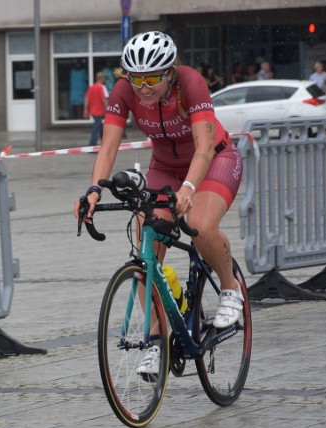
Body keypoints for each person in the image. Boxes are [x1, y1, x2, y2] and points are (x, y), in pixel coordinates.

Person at [73, 31, 244, 375]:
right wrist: (94, 190)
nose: (144, 87)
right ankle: (156, 340)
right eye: (136, 78)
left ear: (169, 72)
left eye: (152, 78)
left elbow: (205, 146)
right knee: (145, 251)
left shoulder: (191, 84)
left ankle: (230, 287)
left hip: (214, 160)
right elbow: (107, 148)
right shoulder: (125, 90)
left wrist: (190, 187)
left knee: (200, 225)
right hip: (164, 166)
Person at [83, 71, 109, 146]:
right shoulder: (100, 88)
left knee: (101, 128)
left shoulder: (91, 87)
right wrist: (108, 108)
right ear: (102, 79)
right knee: (96, 128)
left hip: (93, 112)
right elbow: (104, 99)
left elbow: (87, 99)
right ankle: (92, 145)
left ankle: (105, 143)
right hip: (99, 112)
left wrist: (85, 110)